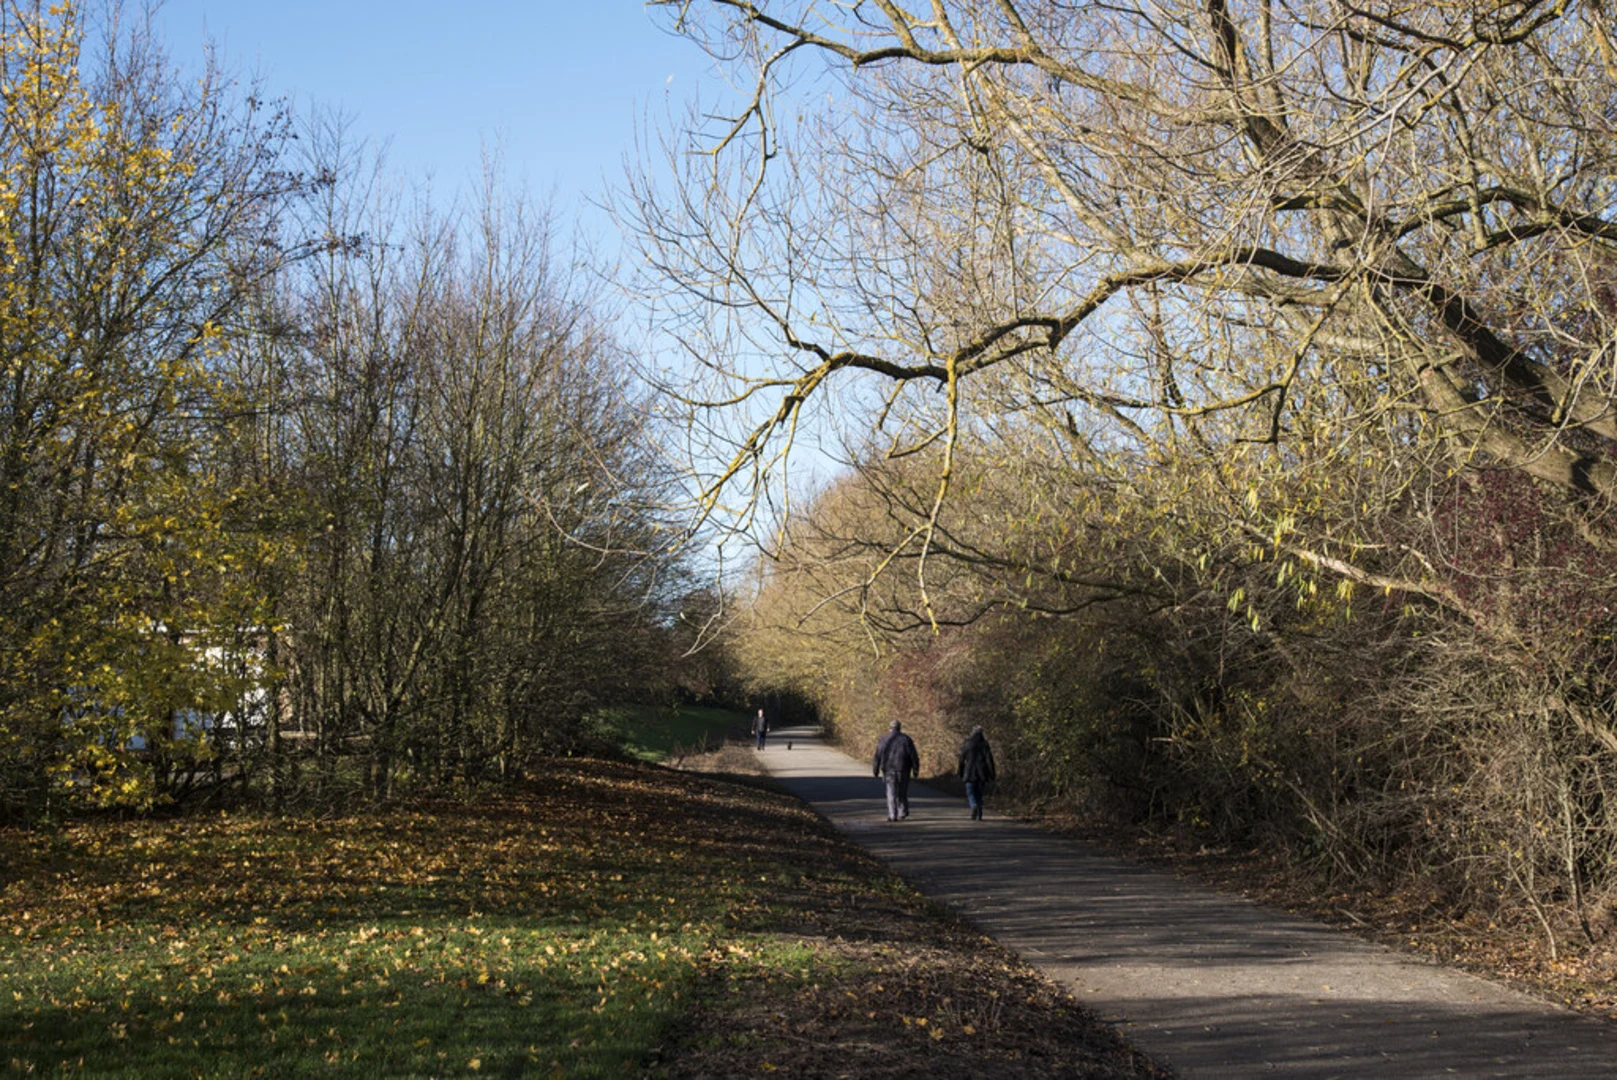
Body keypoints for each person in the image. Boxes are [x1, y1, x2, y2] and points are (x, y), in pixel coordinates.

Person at [872, 720, 920, 822]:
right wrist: (915, 769)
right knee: (902, 792)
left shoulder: (884, 739)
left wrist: (875, 769)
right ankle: (902, 811)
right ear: (899, 728)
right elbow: (913, 756)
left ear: (890, 727)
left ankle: (892, 815)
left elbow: (877, 755)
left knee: (891, 793)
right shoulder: (906, 739)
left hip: (888, 769)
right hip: (903, 769)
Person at [957, 725, 996, 820]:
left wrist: (960, 772)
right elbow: (989, 760)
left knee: (970, 793)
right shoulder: (984, 744)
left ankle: (973, 805)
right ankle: (979, 812)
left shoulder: (967, 743)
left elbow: (962, 759)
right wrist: (992, 774)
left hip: (969, 772)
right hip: (982, 773)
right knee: (979, 793)